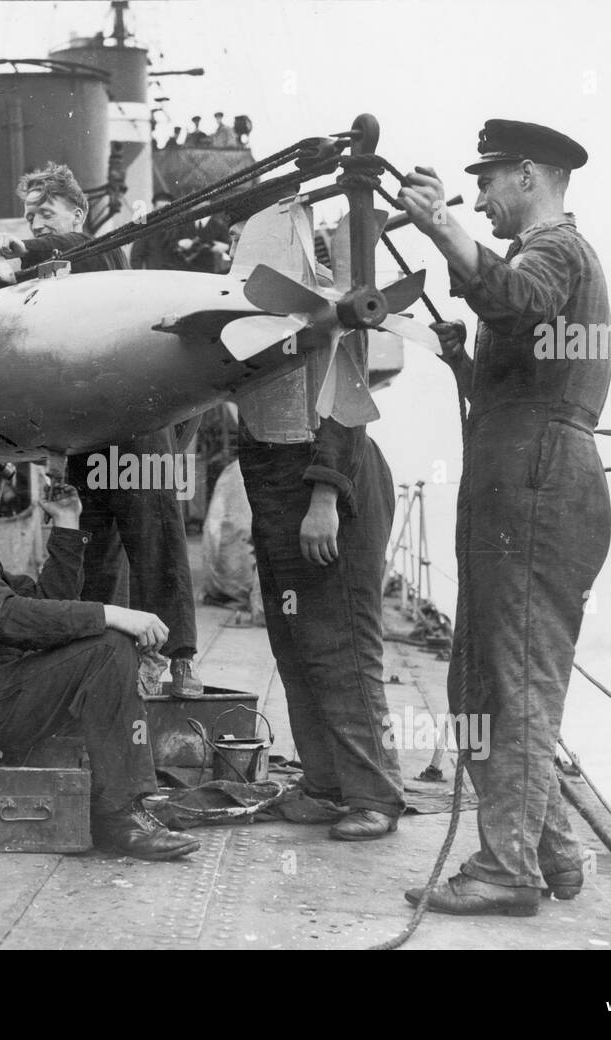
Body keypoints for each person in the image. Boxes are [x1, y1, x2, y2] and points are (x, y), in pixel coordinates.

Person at [397, 119, 611, 916]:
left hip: (536, 487)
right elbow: (524, 341)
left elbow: (518, 300)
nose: (478, 196)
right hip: (521, 483)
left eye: (486, 181)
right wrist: (463, 357)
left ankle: (507, 869)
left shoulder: (554, 249)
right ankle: (551, 853)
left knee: (513, 683)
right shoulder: (548, 256)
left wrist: (438, 225)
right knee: (486, 684)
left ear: (529, 175)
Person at [0, 420, 200, 861]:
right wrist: (112, 612)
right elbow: (9, 617)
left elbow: (42, 601)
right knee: (108, 647)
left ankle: (117, 797)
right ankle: (121, 818)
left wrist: (68, 524)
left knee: (104, 642)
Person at [0, 163, 203, 696]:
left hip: (138, 428)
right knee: (92, 551)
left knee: (157, 545)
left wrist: (21, 246)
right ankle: (104, 660)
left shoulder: (100, 251)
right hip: (87, 438)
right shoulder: (49, 274)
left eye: (45, 212)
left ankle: (179, 662)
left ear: (76, 213)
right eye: (29, 214)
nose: (35, 222)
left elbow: (71, 246)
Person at [230, 223, 405, 841]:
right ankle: (326, 785)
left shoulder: (330, 317)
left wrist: (325, 497)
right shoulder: (256, 326)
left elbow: (345, 408)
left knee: (342, 645)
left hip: (329, 487)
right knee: (296, 642)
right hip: (278, 497)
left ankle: (375, 796)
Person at [129, 191, 195, 271]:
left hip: (177, 276)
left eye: (167, 209)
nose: (163, 212)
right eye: (160, 209)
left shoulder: (181, 225)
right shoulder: (145, 227)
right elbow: (136, 256)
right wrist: (139, 277)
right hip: (154, 275)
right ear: (154, 208)